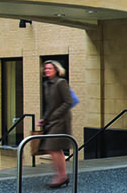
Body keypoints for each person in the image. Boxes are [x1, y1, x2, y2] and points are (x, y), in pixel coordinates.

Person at [39, 60, 73, 189]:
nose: (47, 70)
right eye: (45, 68)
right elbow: (49, 105)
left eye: (50, 68)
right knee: (51, 148)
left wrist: (55, 115)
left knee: (54, 147)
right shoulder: (47, 84)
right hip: (52, 120)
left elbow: (68, 102)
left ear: (56, 70)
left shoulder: (61, 83)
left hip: (61, 120)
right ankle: (61, 175)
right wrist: (44, 118)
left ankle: (61, 176)